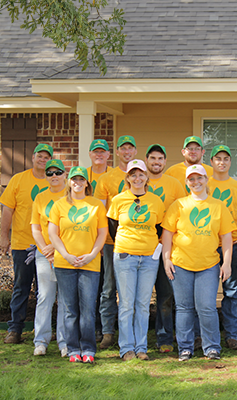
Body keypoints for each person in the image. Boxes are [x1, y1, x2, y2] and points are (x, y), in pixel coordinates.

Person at [162, 164, 235, 361]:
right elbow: (167, 234)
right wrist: (166, 259)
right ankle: (185, 348)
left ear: (206, 179)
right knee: (184, 307)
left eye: (200, 178)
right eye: (192, 179)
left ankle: (211, 347)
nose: (196, 182)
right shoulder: (178, 205)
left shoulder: (218, 206)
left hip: (208, 265)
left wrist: (226, 263)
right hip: (181, 263)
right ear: (187, 182)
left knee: (207, 307)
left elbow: (227, 238)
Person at [48, 166, 108, 363]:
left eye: (81, 179)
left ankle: (88, 349)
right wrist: (66, 254)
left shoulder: (96, 205)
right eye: (74, 179)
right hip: (65, 263)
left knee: (88, 309)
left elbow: (102, 233)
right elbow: (53, 234)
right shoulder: (59, 205)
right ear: (69, 182)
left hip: (90, 264)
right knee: (69, 309)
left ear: (86, 183)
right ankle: (73, 349)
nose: (77, 182)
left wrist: (92, 254)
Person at [107, 159, 165, 361]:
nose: (137, 178)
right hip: (125, 257)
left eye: (141, 174)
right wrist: (128, 244)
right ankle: (126, 349)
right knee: (126, 304)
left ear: (146, 177)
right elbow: (113, 226)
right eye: (133, 174)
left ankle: (141, 348)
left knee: (142, 304)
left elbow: (158, 228)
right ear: (128, 178)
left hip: (149, 258)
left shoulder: (156, 201)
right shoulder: (118, 200)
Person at [0, 143, 53, 344]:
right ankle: (15, 329)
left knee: (45, 290)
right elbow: (7, 210)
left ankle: (44, 330)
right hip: (23, 244)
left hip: (47, 247)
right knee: (21, 286)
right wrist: (4, 237)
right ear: (33, 157)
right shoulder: (18, 180)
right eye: (40, 156)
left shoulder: (55, 182)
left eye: (47, 157)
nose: (43, 159)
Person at [94, 135, 137, 349]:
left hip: (137, 242)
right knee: (109, 288)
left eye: (131, 148)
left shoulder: (141, 175)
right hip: (111, 242)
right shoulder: (106, 178)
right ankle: (108, 332)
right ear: (117, 152)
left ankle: (131, 332)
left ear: (135, 152)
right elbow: (100, 212)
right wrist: (100, 241)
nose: (127, 152)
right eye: (123, 148)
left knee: (132, 290)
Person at [145, 144, 185, 353]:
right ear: (146, 160)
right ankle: (139, 339)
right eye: (153, 158)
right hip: (141, 247)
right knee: (140, 298)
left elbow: (183, 212)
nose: (156, 162)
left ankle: (165, 338)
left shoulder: (175, 184)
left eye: (160, 159)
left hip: (165, 246)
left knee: (166, 295)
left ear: (165, 162)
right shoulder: (137, 181)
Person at [208, 145, 237, 350]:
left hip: (232, 245)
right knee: (207, 292)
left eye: (226, 158)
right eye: (218, 158)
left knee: (231, 291)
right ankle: (206, 335)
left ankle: (231, 335)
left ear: (230, 162)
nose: (221, 162)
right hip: (209, 245)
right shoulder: (205, 185)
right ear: (212, 162)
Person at [31, 159, 67, 357]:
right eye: (50, 173)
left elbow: (71, 225)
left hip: (65, 253)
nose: (54, 176)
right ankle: (41, 341)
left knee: (64, 298)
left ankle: (64, 342)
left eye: (58, 172)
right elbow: (35, 228)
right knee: (45, 296)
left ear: (65, 175)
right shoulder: (40, 198)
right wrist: (45, 248)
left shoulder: (70, 196)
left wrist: (56, 246)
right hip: (44, 253)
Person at [86, 138, 112, 342]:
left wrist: (102, 241)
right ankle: (91, 326)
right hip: (86, 239)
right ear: (90, 154)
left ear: (108, 155)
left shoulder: (113, 176)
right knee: (91, 286)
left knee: (106, 286)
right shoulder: (81, 176)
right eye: (96, 152)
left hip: (108, 240)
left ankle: (106, 329)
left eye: (103, 152)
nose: (99, 155)